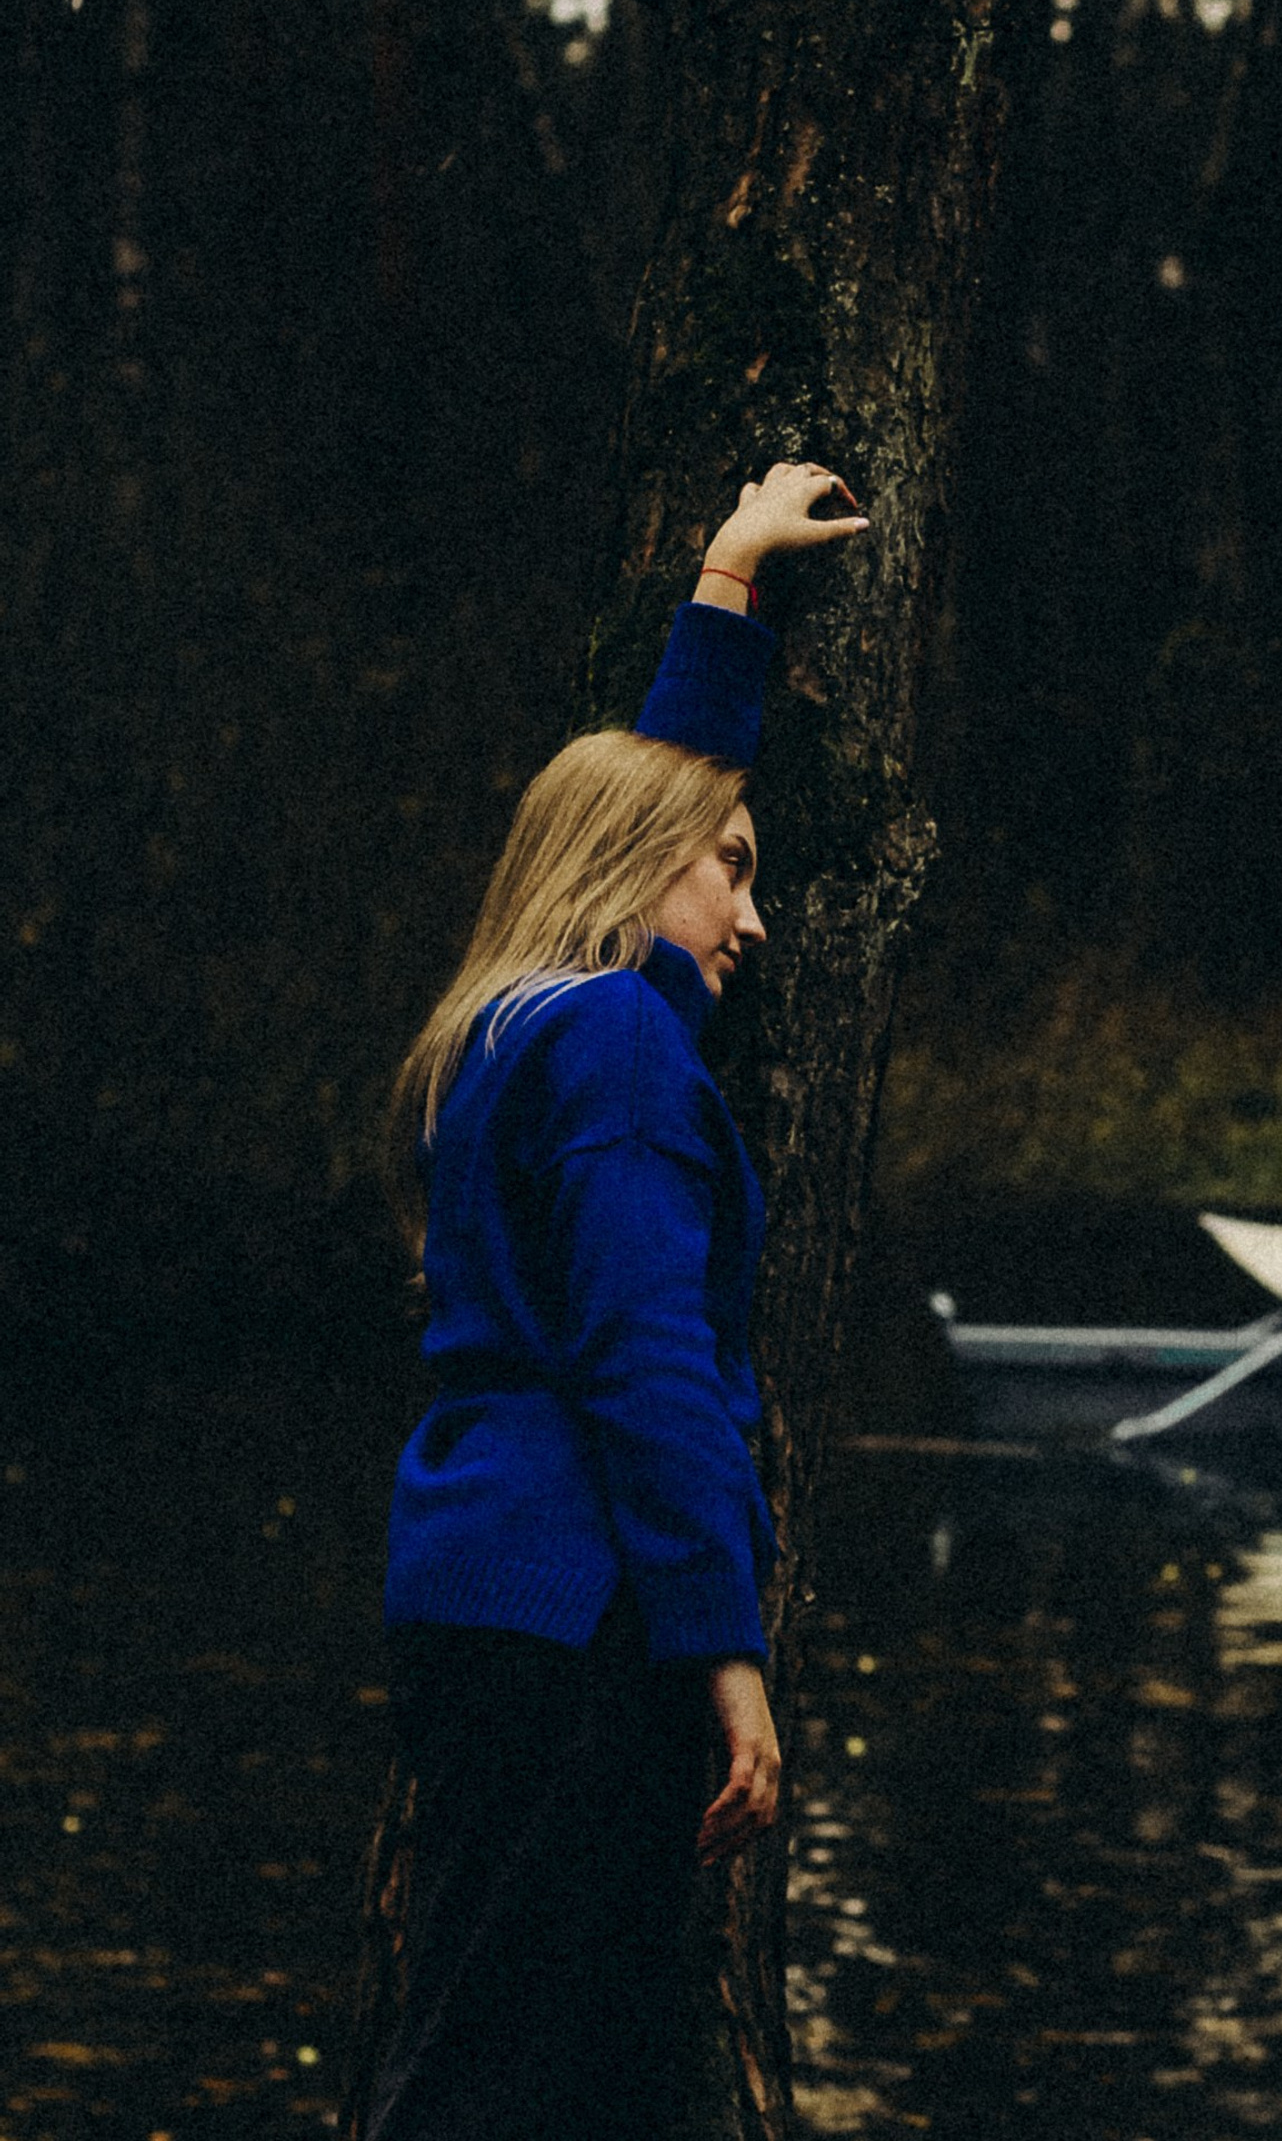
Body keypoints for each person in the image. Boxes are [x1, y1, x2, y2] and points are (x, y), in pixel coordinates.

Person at [358, 460, 867, 2141]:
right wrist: (728, 1654)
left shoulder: (511, 1033)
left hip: (483, 1595)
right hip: (585, 1623)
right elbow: (649, 1365)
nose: (757, 910)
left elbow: (657, 801)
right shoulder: (624, 1046)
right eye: (731, 867)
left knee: (517, 2031)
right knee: (533, 2069)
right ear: (644, 863)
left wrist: (726, 590)